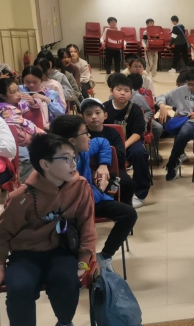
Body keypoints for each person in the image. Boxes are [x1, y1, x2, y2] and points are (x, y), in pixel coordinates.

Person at [0, 133, 96, 326]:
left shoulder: (80, 186)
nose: (73, 163)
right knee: (19, 288)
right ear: (45, 164)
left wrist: (83, 260)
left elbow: (87, 228)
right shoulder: (21, 196)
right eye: (66, 158)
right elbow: (1, 235)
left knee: (67, 280)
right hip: (26, 254)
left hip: (62, 251)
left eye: (74, 157)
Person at [49, 115, 138, 274]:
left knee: (128, 214)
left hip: (91, 199)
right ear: (72, 141)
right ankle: (77, 264)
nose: (89, 135)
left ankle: (104, 257)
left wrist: (103, 164)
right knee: (73, 233)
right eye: (85, 133)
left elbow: (103, 142)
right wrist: (96, 193)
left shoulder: (83, 149)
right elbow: (70, 199)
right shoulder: (58, 166)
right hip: (70, 210)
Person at [103, 79, 152, 207]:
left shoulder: (135, 109)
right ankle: (109, 192)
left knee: (140, 153)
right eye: (119, 90)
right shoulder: (104, 108)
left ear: (131, 93)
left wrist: (123, 145)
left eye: (126, 90)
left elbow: (138, 133)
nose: (122, 93)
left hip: (130, 142)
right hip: (108, 144)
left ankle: (140, 194)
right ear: (111, 91)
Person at [81, 97, 136, 207]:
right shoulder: (82, 135)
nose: (93, 116)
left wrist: (106, 167)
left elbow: (120, 157)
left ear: (105, 115)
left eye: (97, 113)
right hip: (86, 171)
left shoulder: (113, 133)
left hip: (112, 170)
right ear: (83, 118)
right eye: (88, 114)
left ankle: (122, 208)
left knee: (126, 183)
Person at [156, 67, 194, 181]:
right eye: (188, 84)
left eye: (193, 84)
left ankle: (174, 161)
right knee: (184, 132)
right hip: (185, 121)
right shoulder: (181, 90)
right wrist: (162, 106)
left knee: (187, 134)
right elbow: (161, 97)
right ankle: (173, 162)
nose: (190, 87)